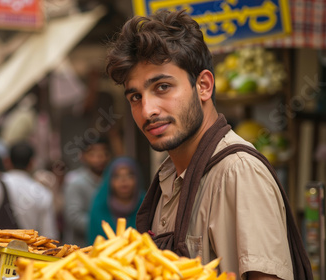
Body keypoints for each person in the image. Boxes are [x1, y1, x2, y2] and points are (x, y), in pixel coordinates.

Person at [105, 9, 312, 280]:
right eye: (135, 97)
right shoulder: (170, 175)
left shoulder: (239, 172)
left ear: (203, 85)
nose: (148, 110)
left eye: (162, 87)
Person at [0, 141, 59, 239]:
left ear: (7, 161)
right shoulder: (43, 193)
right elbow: (49, 235)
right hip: (26, 252)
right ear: (32, 163)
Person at [63, 137, 111, 246]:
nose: (100, 158)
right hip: (82, 248)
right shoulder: (75, 182)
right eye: (93, 154)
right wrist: (107, 226)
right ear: (83, 156)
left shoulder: (113, 180)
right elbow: (74, 218)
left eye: (104, 153)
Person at [87, 157, 145, 244]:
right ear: (109, 180)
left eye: (129, 175)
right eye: (117, 176)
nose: (123, 180)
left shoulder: (146, 204)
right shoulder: (99, 206)